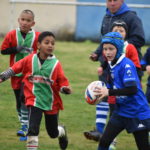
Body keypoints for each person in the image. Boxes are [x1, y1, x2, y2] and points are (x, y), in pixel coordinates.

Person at [84, 0, 145, 143]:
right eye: (108, 0)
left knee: (127, 105)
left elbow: (139, 39)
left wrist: (120, 45)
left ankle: (141, 130)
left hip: (127, 74)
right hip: (110, 69)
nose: (111, 3)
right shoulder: (107, 17)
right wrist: (98, 55)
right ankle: (102, 133)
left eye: (114, 0)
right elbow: (105, 42)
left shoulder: (131, 17)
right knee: (106, 99)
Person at [0, 31, 72, 150]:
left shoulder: (56, 64)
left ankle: (62, 131)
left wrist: (65, 89)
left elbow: (62, 83)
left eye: (53, 43)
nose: (50, 45)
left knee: (52, 133)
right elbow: (14, 69)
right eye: (47, 42)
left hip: (51, 102)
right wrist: (2, 77)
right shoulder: (29, 59)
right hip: (33, 100)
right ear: (38, 45)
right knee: (32, 129)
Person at [94, 32, 150, 150]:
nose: (107, 52)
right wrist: (100, 94)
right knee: (104, 141)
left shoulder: (126, 65)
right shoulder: (111, 64)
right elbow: (112, 87)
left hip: (137, 112)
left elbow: (132, 89)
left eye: (111, 49)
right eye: (105, 49)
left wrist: (108, 92)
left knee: (143, 147)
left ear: (118, 48)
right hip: (121, 111)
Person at [0, 9, 40, 141]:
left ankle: (25, 127)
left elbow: (43, 51)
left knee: (24, 98)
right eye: (22, 19)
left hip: (29, 74)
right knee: (18, 101)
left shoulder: (37, 37)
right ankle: (23, 123)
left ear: (32, 23)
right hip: (15, 73)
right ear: (18, 20)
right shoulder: (12, 35)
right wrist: (15, 49)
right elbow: (3, 51)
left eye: (28, 21)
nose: (24, 23)